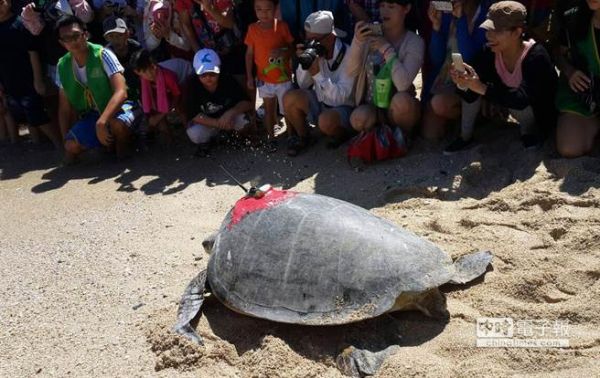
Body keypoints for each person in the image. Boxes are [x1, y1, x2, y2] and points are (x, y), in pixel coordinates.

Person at [446, 1, 558, 154]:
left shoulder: (536, 56)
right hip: (508, 104)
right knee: (471, 85)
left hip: (539, 117)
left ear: (517, 32)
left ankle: (529, 133)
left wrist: (481, 87)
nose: (489, 35)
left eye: (496, 31)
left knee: (487, 89)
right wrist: (462, 82)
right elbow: (472, 91)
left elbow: (522, 99)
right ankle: (465, 136)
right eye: (488, 29)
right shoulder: (490, 52)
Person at [55, 15, 141, 162]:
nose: (72, 41)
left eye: (76, 35)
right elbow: (64, 109)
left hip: (122, 107)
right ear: (61, 42)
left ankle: (124, 145)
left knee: (117, 125)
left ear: (85, 34)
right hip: (92, 115)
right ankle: (105, 143)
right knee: (71, 146)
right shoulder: (62, 65)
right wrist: (65, 139)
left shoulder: (103, 54)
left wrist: (101, 123)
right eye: (66, 38)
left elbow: (122, 92)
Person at [347, 0, 424, 140]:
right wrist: (357, 42)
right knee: (358, 119)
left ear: (406, 8)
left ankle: (402, 139)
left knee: (403, 103)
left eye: (391, 6)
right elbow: (350, 72)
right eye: (382, 6)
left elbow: (403, 84)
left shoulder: (414, 41)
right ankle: (379, 137)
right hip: (372, 106)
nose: (385, 11)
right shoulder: (371, 34)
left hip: (397, 108)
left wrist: (386, 49)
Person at [282, 10, 355, 156]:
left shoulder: (349, 55)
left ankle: (343, 134)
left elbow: (340, 98)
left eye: (315, 40)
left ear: (330, 36)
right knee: (289, 98)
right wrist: (305, 63)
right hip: (321, 103)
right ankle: (305, 137)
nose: (311, 45)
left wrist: (318, 75)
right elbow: (302, 85)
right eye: (308, 40)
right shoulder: (316, 52)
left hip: (344, 107)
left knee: (325, 122)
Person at [421, 0, 490, 139]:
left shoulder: (487, 12)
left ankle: (474, 117)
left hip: (473, 82)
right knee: (430, 134)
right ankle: (459, 120)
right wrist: (436, 27)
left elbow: (468, 56)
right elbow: (436, 59)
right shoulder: (447, 12)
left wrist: (461, 20)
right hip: (446, 77)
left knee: (439, 104)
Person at [0, 0, 62, 149]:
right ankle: (39, 144)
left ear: (8, 2)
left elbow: (33, 52)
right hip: (8, 78)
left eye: (1, 2)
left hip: (28, 76)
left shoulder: (21, 23)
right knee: (24, 112)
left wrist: (38, 79)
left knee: (35, 112)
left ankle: (59, 144)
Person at [184, 48, 253, 157]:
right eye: (203, 75)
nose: (208, 78)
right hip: (208, 123)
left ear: (219, 69)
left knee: (245, 121)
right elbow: (193, 114)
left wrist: (231, 112)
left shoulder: (227, 78)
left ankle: (234, 136)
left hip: (228, 119)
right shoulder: (191, 84)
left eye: (212, 74)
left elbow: (247, 102)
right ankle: (211, 140)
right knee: (195, 133)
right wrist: (217, 123)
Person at [245, 0, 294, 152]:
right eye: (259, 9)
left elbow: (292, 48)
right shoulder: (252, 29)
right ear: (254, 10)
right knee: (268, 110)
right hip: (263, 79)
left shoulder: (282, 26)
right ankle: (271, 138)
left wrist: (283, 51)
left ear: (275, 9)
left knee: (287, 110)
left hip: (283, 79)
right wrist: (249, 77)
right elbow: (249, 54)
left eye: (267, 9)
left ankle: (292, 136)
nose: (263, 13)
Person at [554, 0, 600, 157]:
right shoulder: (571, 14)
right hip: (585, 94)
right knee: (570, 147)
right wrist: (570, 71)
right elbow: (558, 53)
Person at [131, 48, 191, 144]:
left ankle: (190, 133)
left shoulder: (167, 75)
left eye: (151, 68)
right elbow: (150, 103)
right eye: (145, 71)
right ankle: (169, 140)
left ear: (154, 64)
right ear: (137, 72)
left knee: (181, 108)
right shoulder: (144, 81)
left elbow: (177, 94)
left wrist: (163, 114)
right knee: (156, 111)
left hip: (187, 75)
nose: (150, 73)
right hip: (171, 86)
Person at [175, 0, 244, 76]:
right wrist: (198, 52)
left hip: (232, 47)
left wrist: (209, 9)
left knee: (239, 76)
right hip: (208, 53)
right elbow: (186, 24)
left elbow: (229, 23)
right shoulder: (183, 1)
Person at [103, 17, 142, 101]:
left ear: (127, 34)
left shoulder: (136, 48)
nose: (115, 39)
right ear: (106, 38)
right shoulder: (105, 54)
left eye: (119, 35)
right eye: (111, 36)